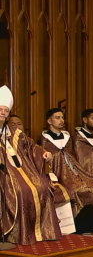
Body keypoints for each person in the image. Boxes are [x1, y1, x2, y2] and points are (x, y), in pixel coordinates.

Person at [0, 85, 62, 245]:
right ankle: (17, 234)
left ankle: (40, 233)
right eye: (0, 109)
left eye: (6, 111)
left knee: (42, 187)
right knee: (20, 190)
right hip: (4, 173)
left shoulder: (15, 133)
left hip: (23, 171)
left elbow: (32, 146)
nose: (3, 113)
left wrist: (43, 153)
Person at [39, 108, 93, 233]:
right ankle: (78, 226)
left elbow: (74, 155)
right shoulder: (44, 139)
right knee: (77, 190)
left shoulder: (67, 137)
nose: (61, 120)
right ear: (49, 121)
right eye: (57, 118)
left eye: (62, 117)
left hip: (75, 171)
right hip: (58, 174)